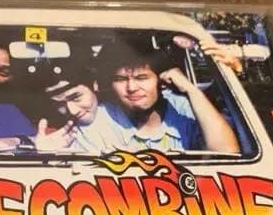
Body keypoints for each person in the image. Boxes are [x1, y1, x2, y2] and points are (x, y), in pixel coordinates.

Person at [96, 36, 240, 154]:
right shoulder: (101, 118)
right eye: (120, 79)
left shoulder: (183, 109)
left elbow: (227, 152)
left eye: (142, 78)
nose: (131, 88)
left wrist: (191, 90)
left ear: (162, 81)